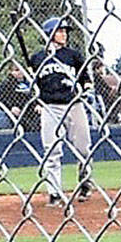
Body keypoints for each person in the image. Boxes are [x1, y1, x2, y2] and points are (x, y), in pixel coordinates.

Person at [28, 16, 94, 207]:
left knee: (83, 147)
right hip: (50, 106)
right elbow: (34, 86)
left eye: (65, 31)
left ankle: (85, 182)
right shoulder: (37, 58)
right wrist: (36, 99)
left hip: (74, 104)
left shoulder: (73, 56)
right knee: (52, 150)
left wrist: (85, 90)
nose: (64, 34)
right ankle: (54, 192)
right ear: (49, 34)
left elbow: (86, 80)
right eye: (60, 31)